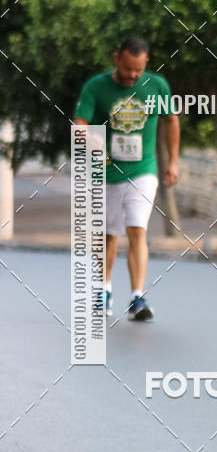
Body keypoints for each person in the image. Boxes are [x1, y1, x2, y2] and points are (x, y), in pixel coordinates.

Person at [73, 36, 180, 321]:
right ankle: (104, 290)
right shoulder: (96, 87)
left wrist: (173, 161)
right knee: (108, 235)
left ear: (146, 63)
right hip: (105, 171)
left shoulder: (157, 86)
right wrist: (87, 139)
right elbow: (80, 122)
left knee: (137, 229)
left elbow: (171, 120)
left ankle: (137, 297)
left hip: (142, 170)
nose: (133, 75)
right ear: (116, 58)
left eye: (138, 69)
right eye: (127, 68)